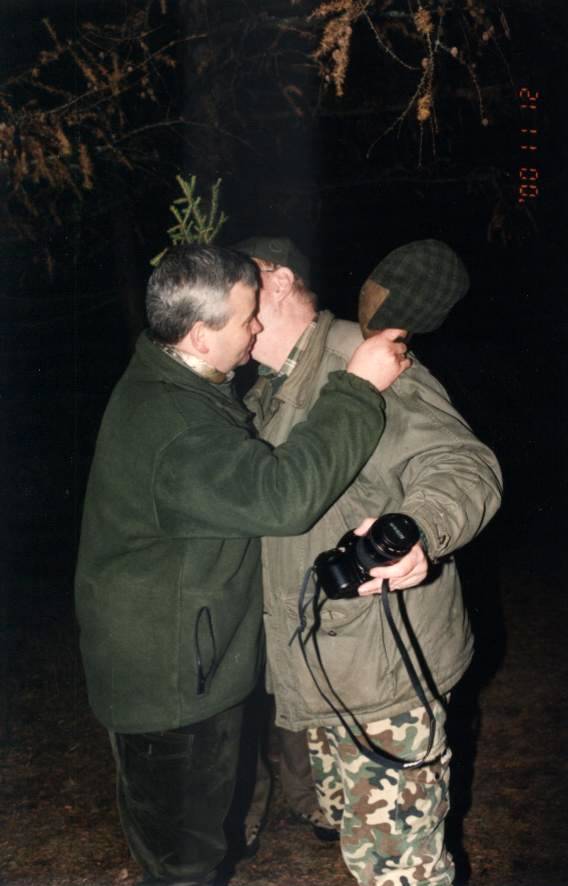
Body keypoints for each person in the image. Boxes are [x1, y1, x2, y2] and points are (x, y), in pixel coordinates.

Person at [74, 244, 411, 886]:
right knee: (184, 866)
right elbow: (283, 496)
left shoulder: (178, 382)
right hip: (171, 691)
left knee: (192, 850)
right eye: (245, 318)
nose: (257, 328)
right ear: (201, 334)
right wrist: (358, 386)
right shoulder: (175, 426)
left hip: (187, 666)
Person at [237, 235, 503, 886]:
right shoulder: (269, 392)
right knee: (368, 856)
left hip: (382, 675)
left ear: (275, 280)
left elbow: (462, 464)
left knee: (399, 872)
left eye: (232, 279)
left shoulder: (357, 360)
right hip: (327, 670)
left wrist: (420, 530)